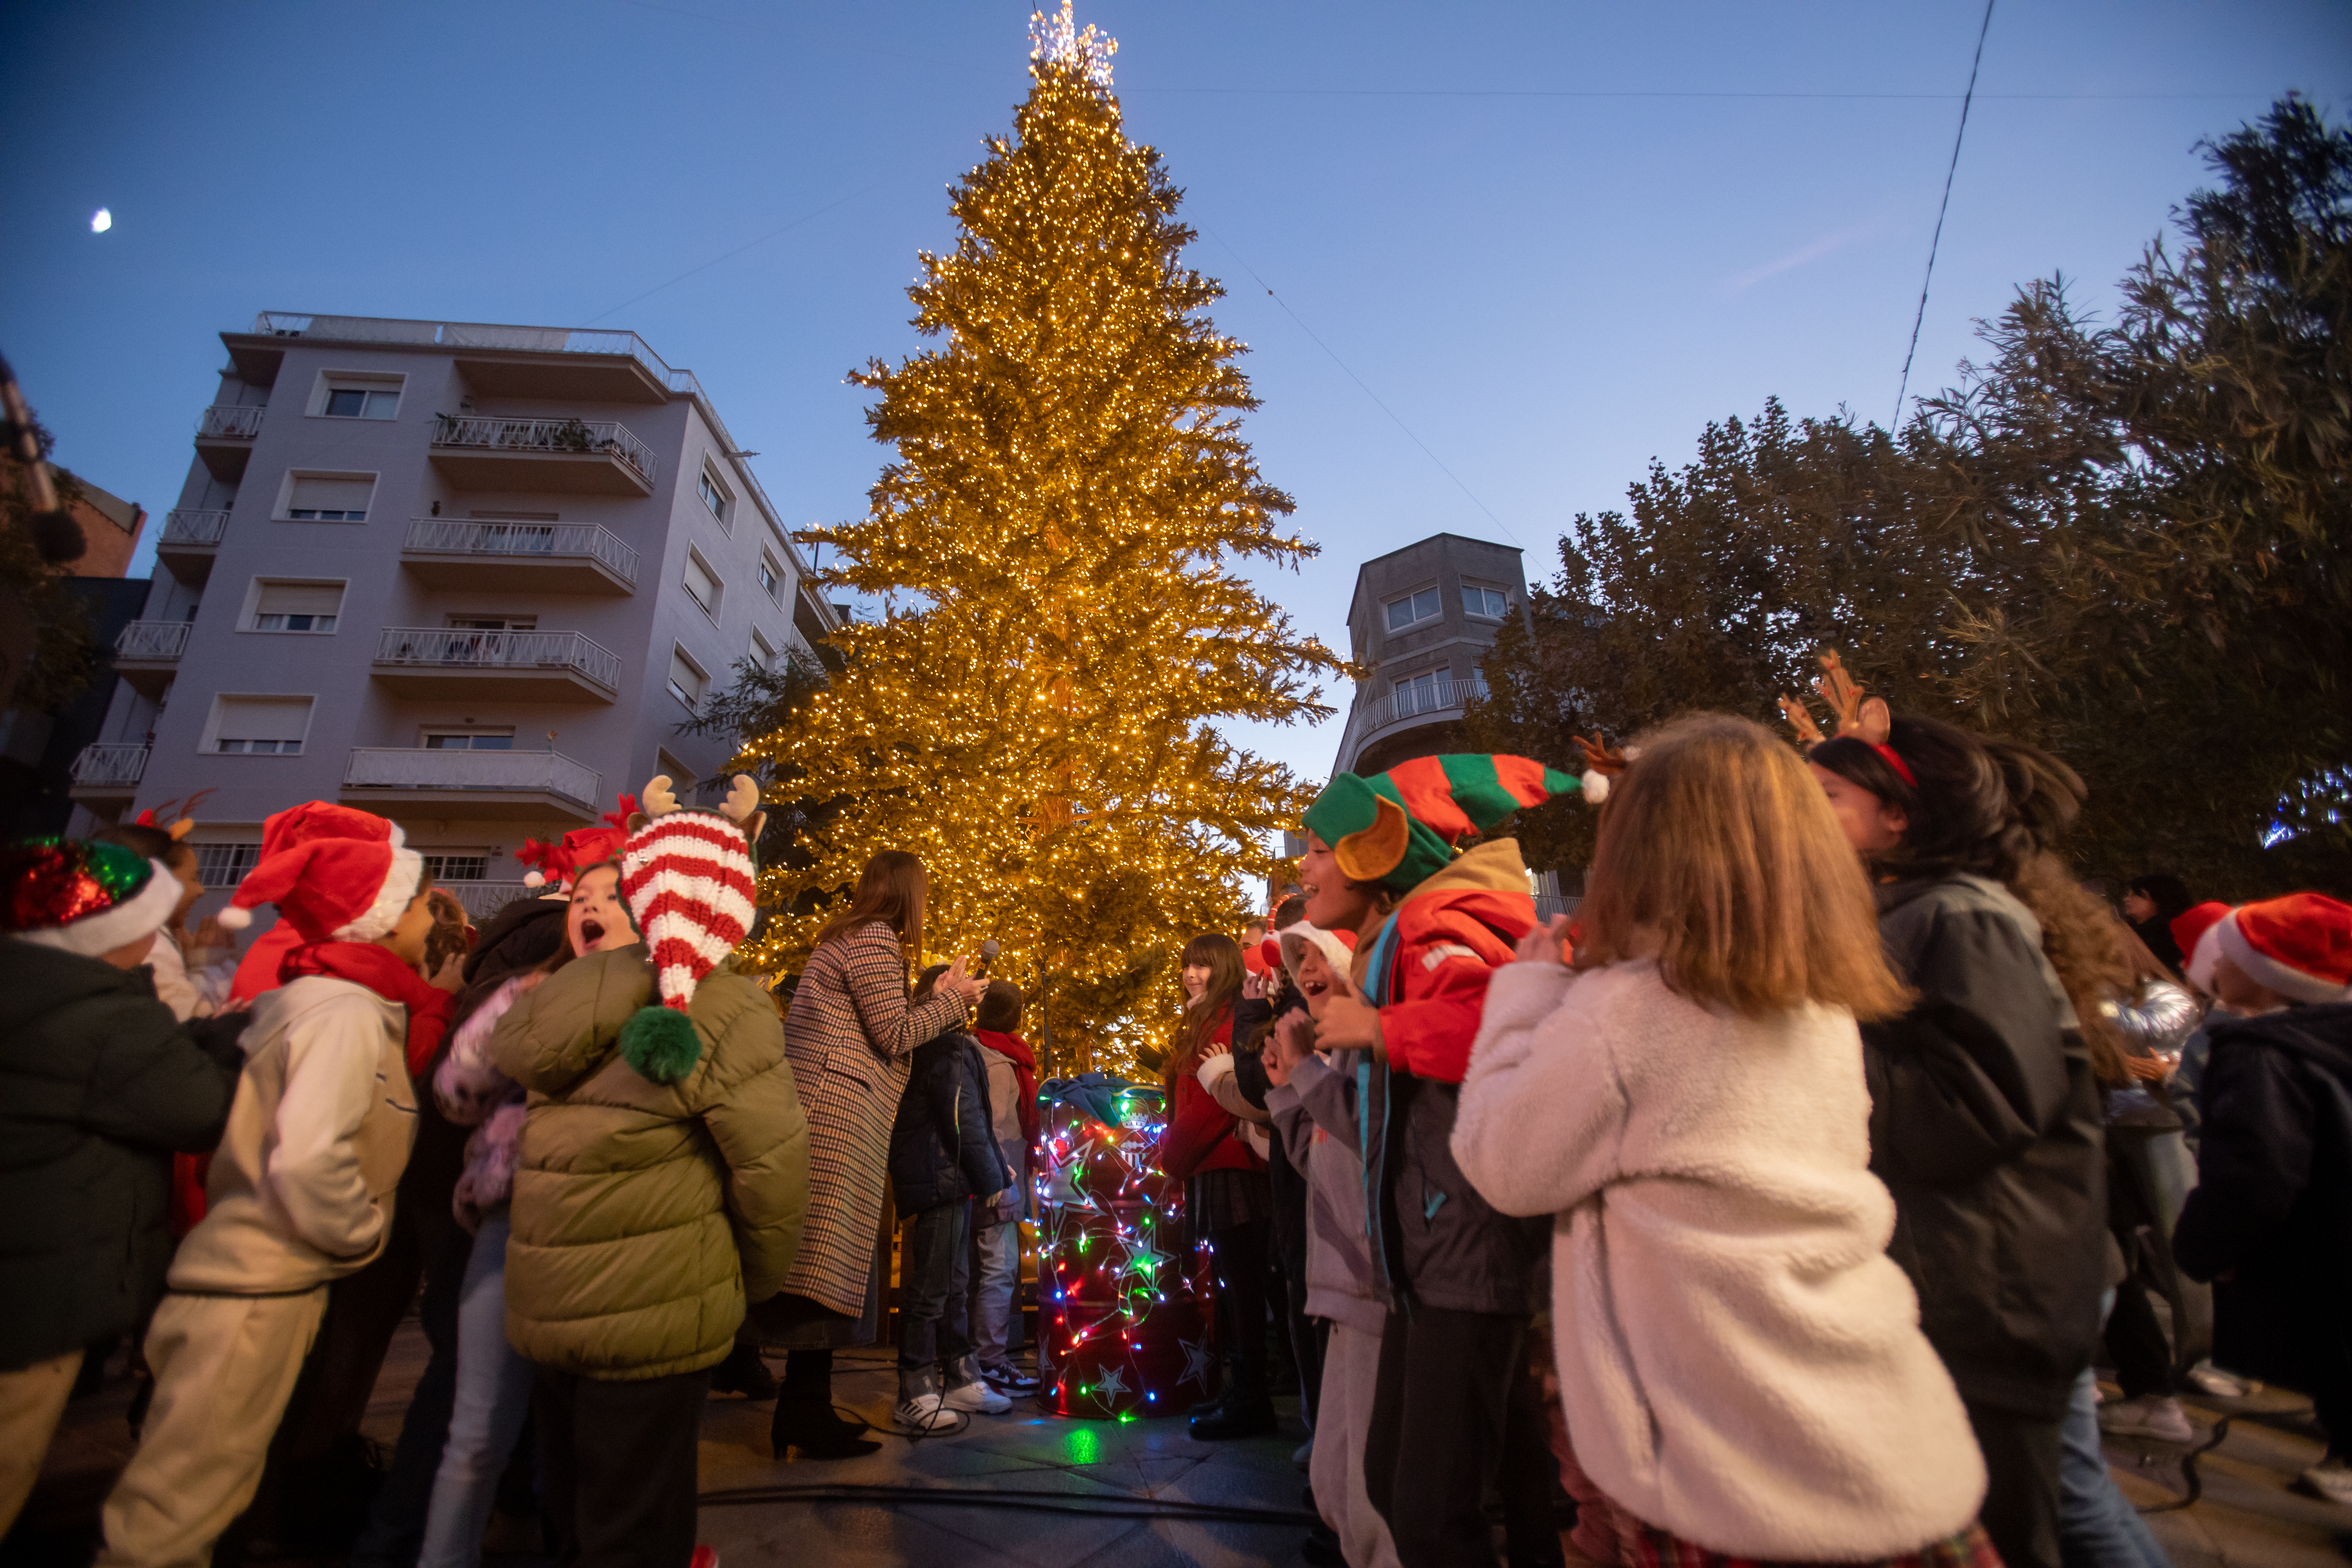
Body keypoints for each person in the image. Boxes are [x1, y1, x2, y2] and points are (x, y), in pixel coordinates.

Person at [1452, 713, 1995, 1567]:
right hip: (1871, 1426)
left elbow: (1503, 1161)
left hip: (1730, 1463)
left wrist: (1525, 992)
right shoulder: (1815, 1005)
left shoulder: (1632, 1013)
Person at [1806, 704, 2111, 1568]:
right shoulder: (1907, 914)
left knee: (2020, 1532)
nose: (1803, 815)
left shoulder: (1962, 919)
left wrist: (1805, 1046)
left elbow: (1982, 1107)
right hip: (1952, 1282)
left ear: (1898, 817)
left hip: (1991, 1288)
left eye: (1826, 795)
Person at [96, 816, 441, 1568]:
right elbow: (309, 1155)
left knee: (204, 1490)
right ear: (377, 917)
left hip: (247, 1271)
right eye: (417, 902)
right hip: (257, 1283)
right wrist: (359, 1232)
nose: (430, 915)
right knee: (175, 1510)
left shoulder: (324, 996)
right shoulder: (345, 1013)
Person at [1281, 753, 1589, 1568]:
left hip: (1462, 1242)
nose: (1302, 866)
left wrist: (1384, 1032)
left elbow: (1494, 1021)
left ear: (1371, 853)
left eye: (1316, 848)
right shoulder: (1395, 941)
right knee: (1485, 1480)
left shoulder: (1433, 928)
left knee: (1425, 1506)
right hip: (1439, 1246)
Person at [492, 784, 807, 1567]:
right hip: (658, 1303)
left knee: (569, 1508)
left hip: (550, 1297)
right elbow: (771, 1170)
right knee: (637, 1517)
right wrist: (752, 1287)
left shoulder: (565, 990)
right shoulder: (727, 1005)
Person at [0, 838, 247, 1534]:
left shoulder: (38, 985)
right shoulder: (104, 1015)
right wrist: (239, 1035)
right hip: (33, 1293)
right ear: (115, 931)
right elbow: (200, 1107)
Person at [411, 861, 643, 1568]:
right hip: (512, 1218)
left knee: (594, 1434)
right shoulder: (527, 991)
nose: (591, 908)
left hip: (612, 1233)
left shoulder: (671, 1000)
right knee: (478, 1426)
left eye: (613, 897)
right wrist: (510, 1027)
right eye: (581, 897)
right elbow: (457, 1090)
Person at [764, 850, 981, 1459]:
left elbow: (880, 1021)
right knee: (823, 1264)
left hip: (828, 1109)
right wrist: (955, 1001)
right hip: (837, 1114)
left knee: (824, 1266)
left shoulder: (853, 937)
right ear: (908, 893)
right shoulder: (876, 940)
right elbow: (893, 1035)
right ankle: (802, 1412)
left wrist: (930, 998)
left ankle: (805, 1406)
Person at [2173, 893, 2352, 1506]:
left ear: (2269, 977)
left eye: (2230, 954)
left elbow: (2256, 1175)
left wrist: (2205, 1247)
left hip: (2317, 1260)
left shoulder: (2265, 1054)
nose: (2213, 965)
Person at [1262, 923, 1399, 1568]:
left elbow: (1367, 1136)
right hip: (1339, 1287)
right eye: (1299, 960)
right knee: (1335, 1480)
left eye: (1317, 954)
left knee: (1370, 1486)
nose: (1305, 968)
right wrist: (1290, 1088)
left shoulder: (1362, 1046)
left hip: (1371, 1285)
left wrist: (1309, 1073)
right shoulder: (1329, 1053)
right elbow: (1316, 1160)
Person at [1155, 932, 1276, 1440]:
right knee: (1233, 1281)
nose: (1191, 974)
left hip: (1230, 1166)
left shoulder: (1226, 1016)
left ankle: (1252, 1397)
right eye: (1187, 965)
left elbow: (1213, 1104)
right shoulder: (1202, 1016)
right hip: (1213, 1166)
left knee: (1245, 1283)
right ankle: (1241, 1387)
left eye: (1201, 966)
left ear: (1223, 968)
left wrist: (1173, 1157)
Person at [888, 965, 1013, 1433]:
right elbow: (965, 1119)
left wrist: (991, 1168)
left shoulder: (935, 1045)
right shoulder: (945, 1047)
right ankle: (915, 1388)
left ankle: (960, 1372)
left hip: (946, 1176)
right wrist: (993, 1176)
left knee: (954, 1283)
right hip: (941, 1175)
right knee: (932, 1288)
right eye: (947, 986)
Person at [969, 980, 1041, 1392]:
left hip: (993, 1177)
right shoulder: (999, 1063)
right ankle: (990, 1360)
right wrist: (1002, 1181)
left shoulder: (982, 1051)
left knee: (986, 1268)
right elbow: (994, 1128)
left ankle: (974, 1357)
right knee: (1000, 1268)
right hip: (999, 1181)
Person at [93, 818, 236, 1022]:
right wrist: (212, 963)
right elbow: (187, 1017)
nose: (200, 890)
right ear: (156, 880)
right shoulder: (145, 943)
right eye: (193, 878)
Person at [2123, 875, 2195, 977]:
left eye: (2136, 895)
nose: (2127, 900)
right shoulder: (2132, 931)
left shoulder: (2162, 937)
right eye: (2128, 895)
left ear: (2160, 900)